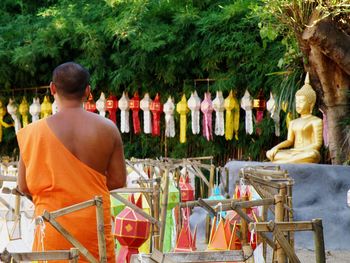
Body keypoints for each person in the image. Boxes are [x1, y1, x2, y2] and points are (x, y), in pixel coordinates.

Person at [17, 62, 127, 262]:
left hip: (51, 229)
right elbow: (118, 180)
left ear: (52, 89)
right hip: (93, 229)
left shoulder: (33, 133)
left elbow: (24, 186)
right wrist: (84, 190)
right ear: (87, 91)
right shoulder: (108, 129)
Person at [266, 73, 323, 163]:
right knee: (271, 153)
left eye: (301, 101)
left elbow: (317, 144)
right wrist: (276, 147)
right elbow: (289, 141)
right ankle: (289, 161)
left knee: (313, 155)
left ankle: (282, 162)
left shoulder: (316, 121)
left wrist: (298, 151)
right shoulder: (293, 122)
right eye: (297, 102)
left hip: (306, 152)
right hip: (294, 153)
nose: (298, 105)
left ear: (311, 104)